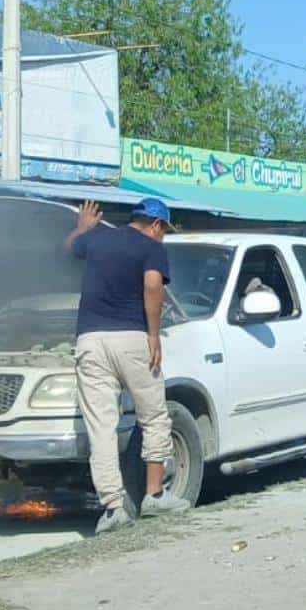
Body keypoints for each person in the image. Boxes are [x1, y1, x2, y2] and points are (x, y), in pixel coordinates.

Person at [64, 198, 191, 534]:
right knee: (153, 414)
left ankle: (112, 508)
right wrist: (153, 334)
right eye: (164, 231)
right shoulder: (151, 246)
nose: (162, 236)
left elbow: (70, 247)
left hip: (90, 340)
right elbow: (152, 285)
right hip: (132, 339)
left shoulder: (97, 239)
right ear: (156, 224)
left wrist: (82, 227)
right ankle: (154, 495)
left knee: (101, 426)